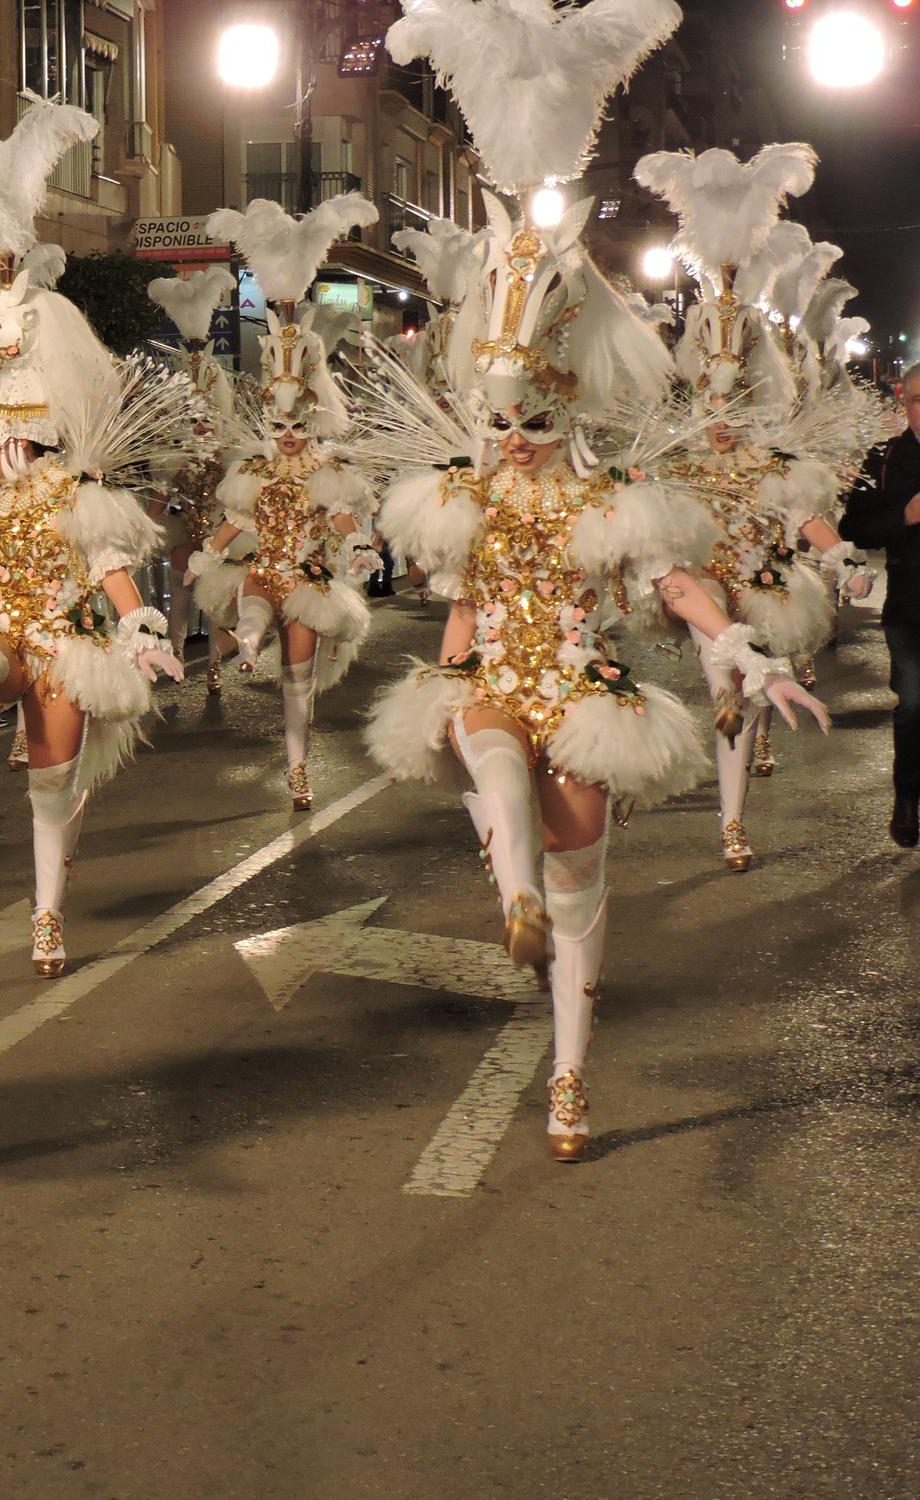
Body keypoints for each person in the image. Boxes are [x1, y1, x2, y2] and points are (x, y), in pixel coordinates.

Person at [371, 0, 828, 1163]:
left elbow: (676, 588)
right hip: (497, 687)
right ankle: (510, 886)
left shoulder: (613, 500)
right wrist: (452, 658)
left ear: (564, 404)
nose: (513, 433)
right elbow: (466, 604)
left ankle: (568, 1072)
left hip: (585, 694)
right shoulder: (463, 499)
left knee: (584, 902)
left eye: (531, 415)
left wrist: (738, 648)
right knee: (479, 731)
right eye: (500, 415)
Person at [0, 101, 199, 980]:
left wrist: (139, 630)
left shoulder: (74, 490)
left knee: (53, 783)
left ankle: (47, 912)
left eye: (6, 432)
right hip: (1, 634)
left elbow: (108, 568)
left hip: (64, 641)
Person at [635, 144, 875, 870]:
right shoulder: (675, 460)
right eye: (709, 400)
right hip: (705, 589)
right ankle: (730, 824)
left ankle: (742, 782)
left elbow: (804, 513)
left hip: (764, 584)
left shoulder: (773, 457)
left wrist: (838, 556)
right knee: (727, 688)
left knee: (752, 682)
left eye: (730, 402)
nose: (718, 416)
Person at [188, 193, 383, 810]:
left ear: (312, 420)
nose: (290, 434)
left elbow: (343, 516)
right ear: (269, 423)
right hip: (260, 574)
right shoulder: (251, 468)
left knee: (298, 685)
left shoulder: (328, 469)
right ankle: (245, 645)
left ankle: (297, 767)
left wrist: (356, 546)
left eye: (298, 425)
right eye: (280, 425)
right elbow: (235, 521)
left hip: (309, 580)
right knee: (249, 615)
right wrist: (206, 554)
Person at [839, 366, 920, 848]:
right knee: (913, 705)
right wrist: (905, 516)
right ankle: (908, 797)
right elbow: (854, 527)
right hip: (911, 609)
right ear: (904, 402)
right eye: (919, 399)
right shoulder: (885, 457)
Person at [144, 266, 237, 685]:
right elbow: (161, 497)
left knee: (215, 601)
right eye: (193, 418)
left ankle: (215, 665)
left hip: (216, 529)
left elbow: (237, 500)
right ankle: (178, 654)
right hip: (184, 528)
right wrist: (144, 527)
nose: (200, 425)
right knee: (181, 592)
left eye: (206, 418)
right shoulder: (173, 455)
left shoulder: (227, 456)